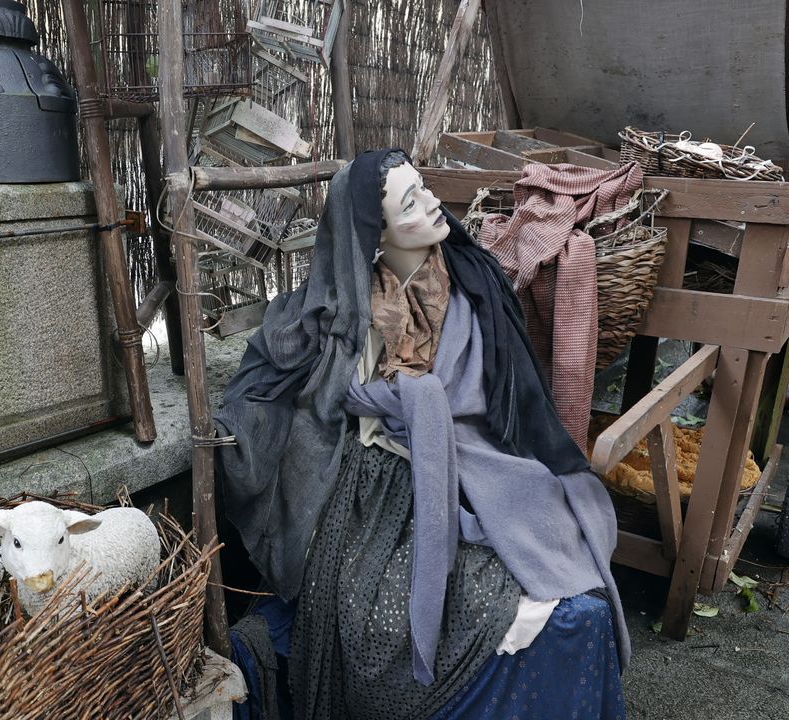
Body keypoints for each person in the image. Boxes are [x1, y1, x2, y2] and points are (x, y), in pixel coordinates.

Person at [218, 149, 627, 719]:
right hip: (370, 494)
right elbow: (265, 385)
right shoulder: (336, 311)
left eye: (425, 188)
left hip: (473, 461)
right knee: (388, 616)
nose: (433, 203)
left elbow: (498, 401)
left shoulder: (474, 283)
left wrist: (427, 410)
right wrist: (230, 434)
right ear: (375, 232)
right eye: (410, 202)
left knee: (572, 592)